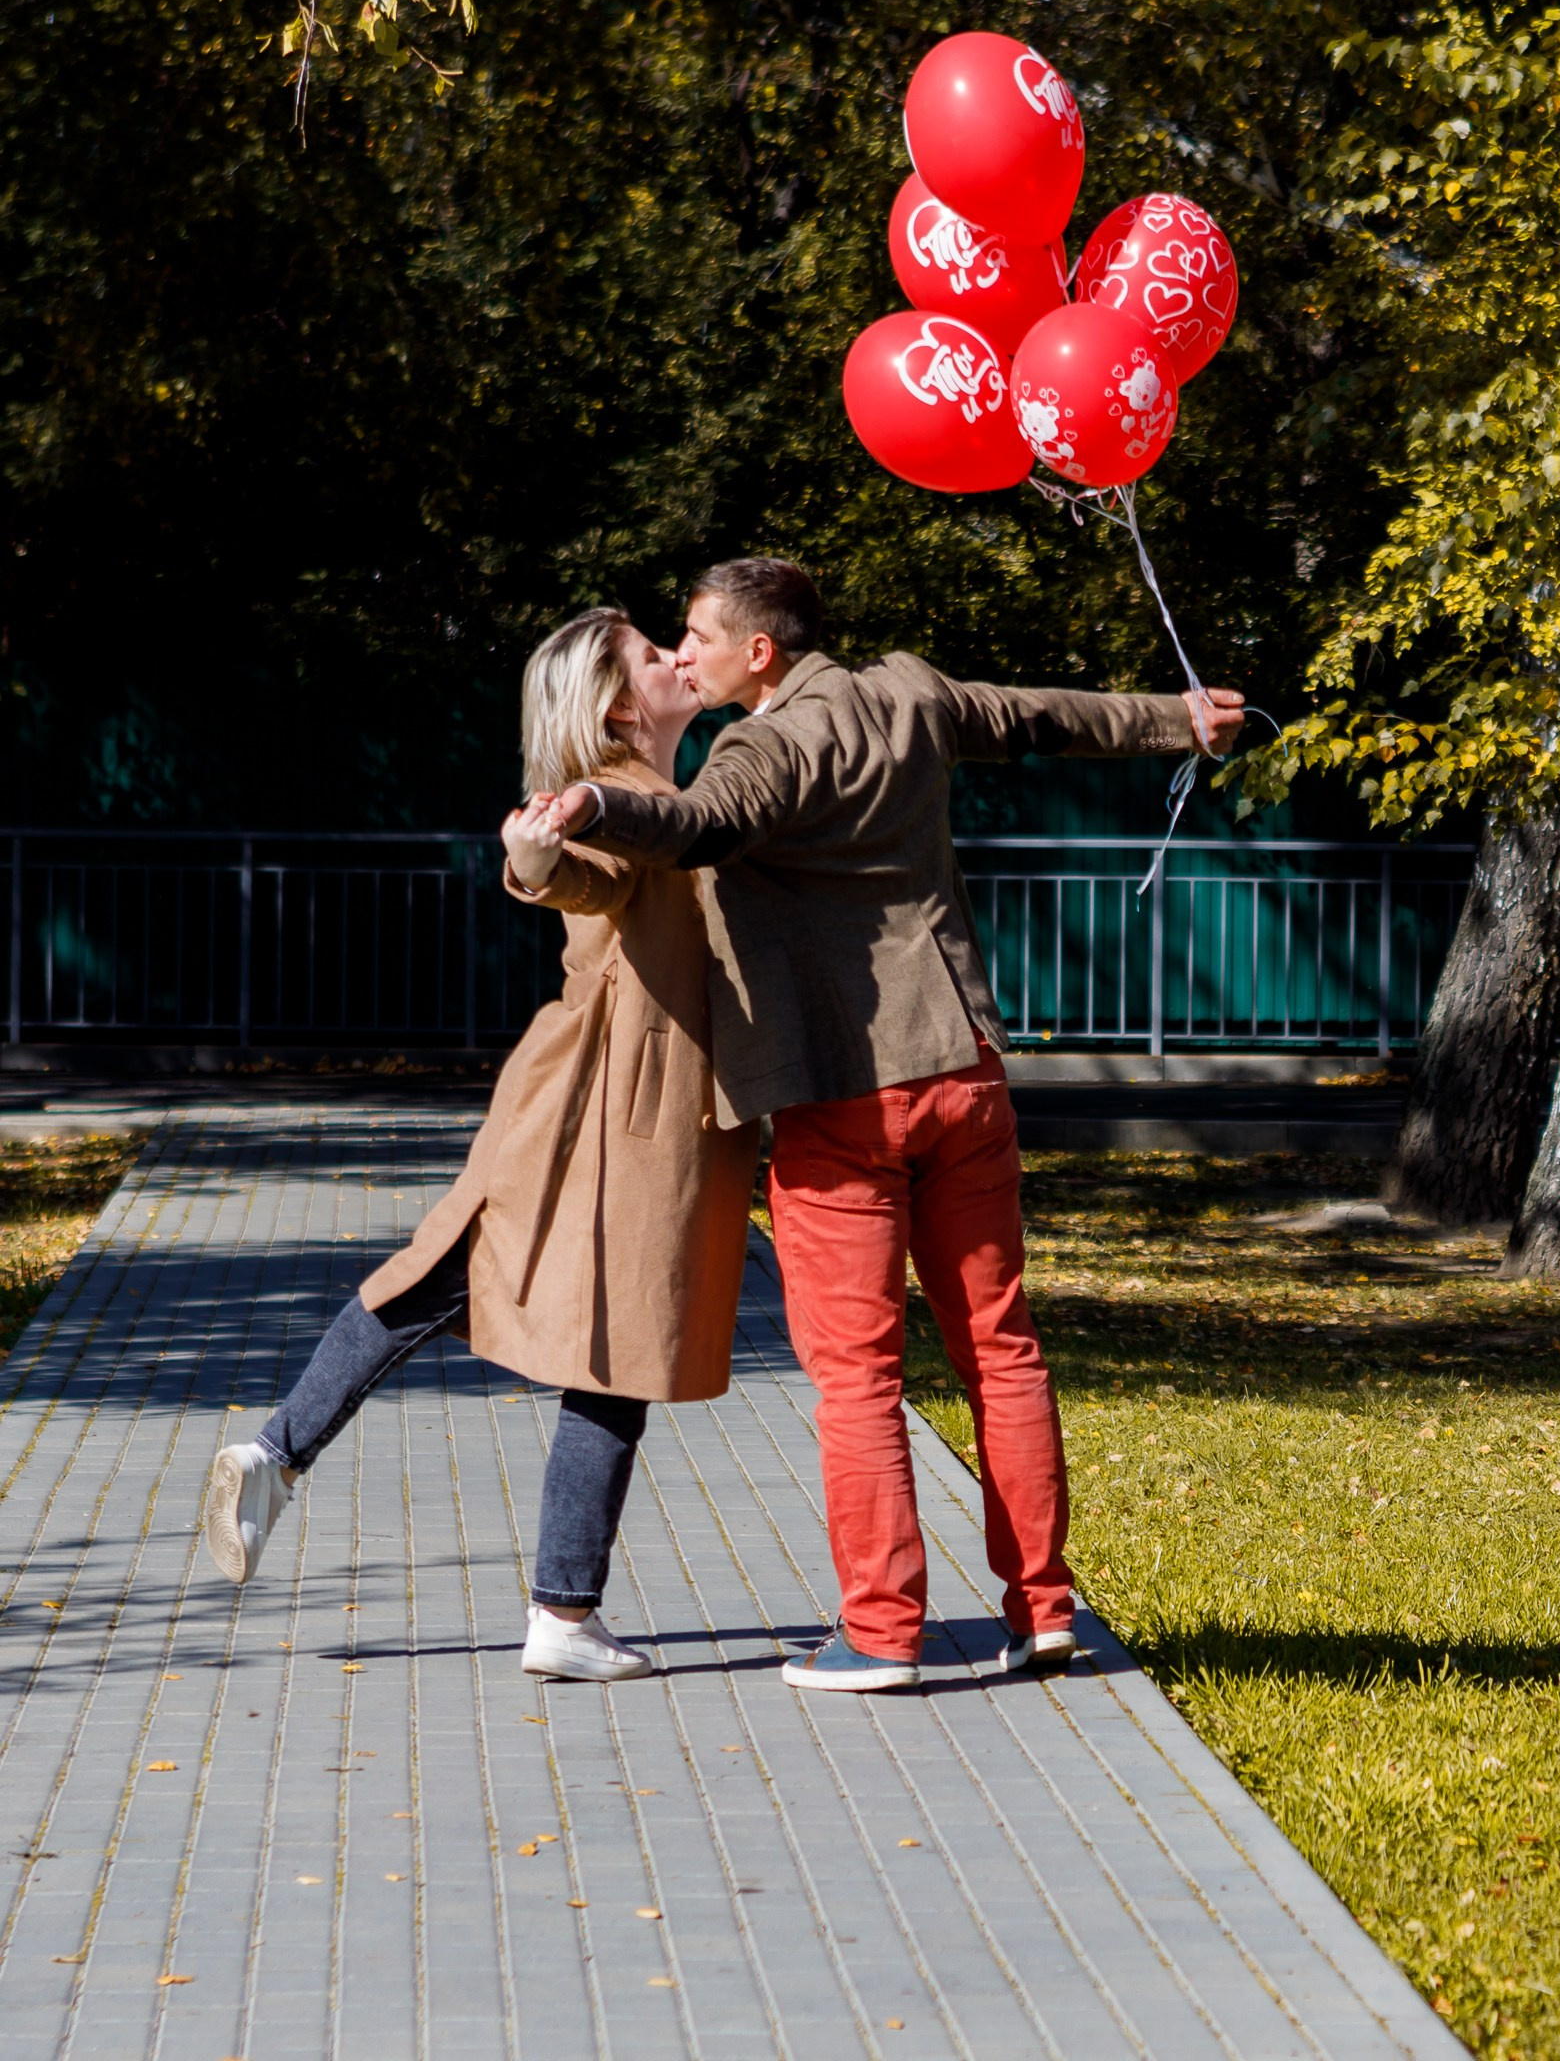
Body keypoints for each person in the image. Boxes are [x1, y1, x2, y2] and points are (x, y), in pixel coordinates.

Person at [513, 554, 1243, 1693]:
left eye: (697, 636)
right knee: (1001, 1347)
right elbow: (1040, 716)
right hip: (963, 1068)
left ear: (759, 651)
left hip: (843, 1095)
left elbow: (697, 827)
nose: (684, 653)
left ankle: (882, 1634)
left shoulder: (759, 749)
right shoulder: (909, 690)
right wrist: (1179, 720)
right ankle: (1043, 1610)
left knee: (857, 1374)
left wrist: (594, 804)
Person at [201, 608, 760, 1683]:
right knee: (601, 1347)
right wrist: (534, 860)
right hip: (608, 1103)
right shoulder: (616, 795)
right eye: (655, 655)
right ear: (616, 705)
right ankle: (557, 1613)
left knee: (475, 1288)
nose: (679, 657)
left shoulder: (676, 791)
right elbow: (581, 869)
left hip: (609, 1101)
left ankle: (279, 1456)